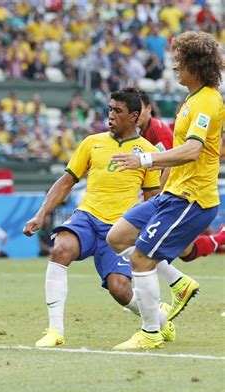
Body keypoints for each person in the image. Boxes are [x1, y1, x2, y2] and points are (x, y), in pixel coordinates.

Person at [24, 88, 178, 347]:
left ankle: (161, 319)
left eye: (118, 111)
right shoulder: (91, 142)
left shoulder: (146, 152)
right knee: (60, 249)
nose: (111, 116)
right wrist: (41, 214)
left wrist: (147, 233)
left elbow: (153, 198)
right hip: (87, 217)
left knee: (120, 289)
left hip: (120, 229)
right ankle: (54, 331)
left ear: (134, 116)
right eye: (110, 109)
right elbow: (66, 182)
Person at [107, 31, 223, 350]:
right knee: (117, 237)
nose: (174, 67)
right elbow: (184, 150)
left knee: (142, 260)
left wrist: (143, 160)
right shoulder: (192, 98)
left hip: (192, 199)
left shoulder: (206, 102)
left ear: (195, 64)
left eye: (179, 61)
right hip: (172, 194)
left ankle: (150, 332)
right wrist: (162, 185)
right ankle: (176, 285)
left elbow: (191, 151)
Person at [137, 90, 225, 261]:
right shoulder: (145, 132)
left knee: (144, 245)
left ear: (149, 109)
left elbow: (173, 162)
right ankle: (220, 237)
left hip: (180, 191)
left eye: (139, 108)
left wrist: (157, 196)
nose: (136, 114)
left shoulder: (157, 132)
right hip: (178, 190)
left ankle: (176, 281)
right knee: (184, 251)